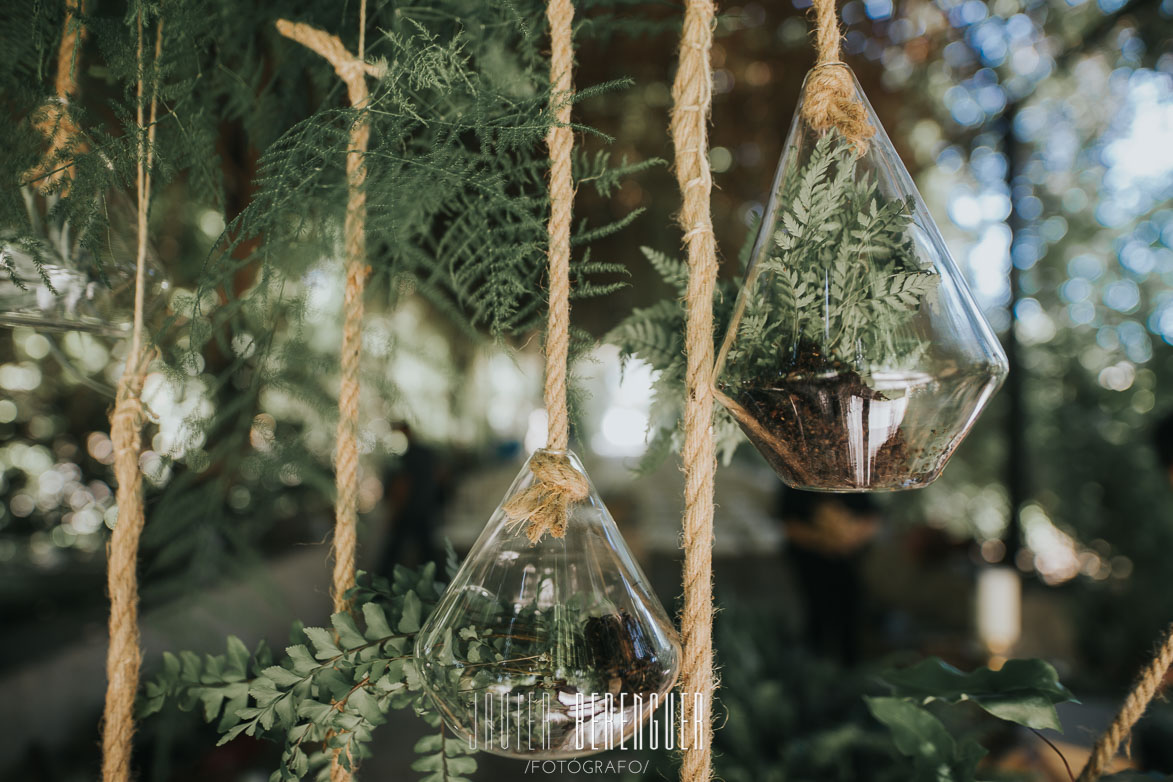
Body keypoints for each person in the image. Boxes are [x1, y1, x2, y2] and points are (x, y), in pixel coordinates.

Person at [779, 488, 880, 665]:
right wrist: (822, 541)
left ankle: (849, 668)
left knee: (850, 615)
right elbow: (789, 524)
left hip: (849, 561)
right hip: (811, 562)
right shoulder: (794, 483)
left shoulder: (855, 480)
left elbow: (872, 518)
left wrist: (849, 541)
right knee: (816, 612)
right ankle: (816, 667)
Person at [376, 423, 443, 575]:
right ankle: (439, 584)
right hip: (424, 508)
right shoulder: (426, 453)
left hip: (408, 510)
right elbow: (440, 476)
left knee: (394, 551)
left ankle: (379, 585)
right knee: (426, 551)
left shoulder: (403, 455)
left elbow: (401, 485)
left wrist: (395, 510)